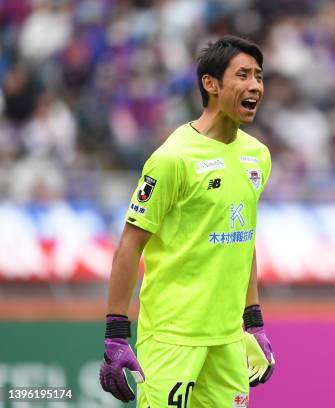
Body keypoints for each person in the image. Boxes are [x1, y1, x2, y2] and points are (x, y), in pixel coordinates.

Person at [99, 36, 274, 407]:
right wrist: (116, 332)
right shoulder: (173, 158)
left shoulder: (257, 156)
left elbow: (242, 239)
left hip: (227, 340)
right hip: (172, 338)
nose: (255, 86)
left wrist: (253, 321)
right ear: (210, 84)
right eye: (243, 75)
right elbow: (130, 243)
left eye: (259, 76)